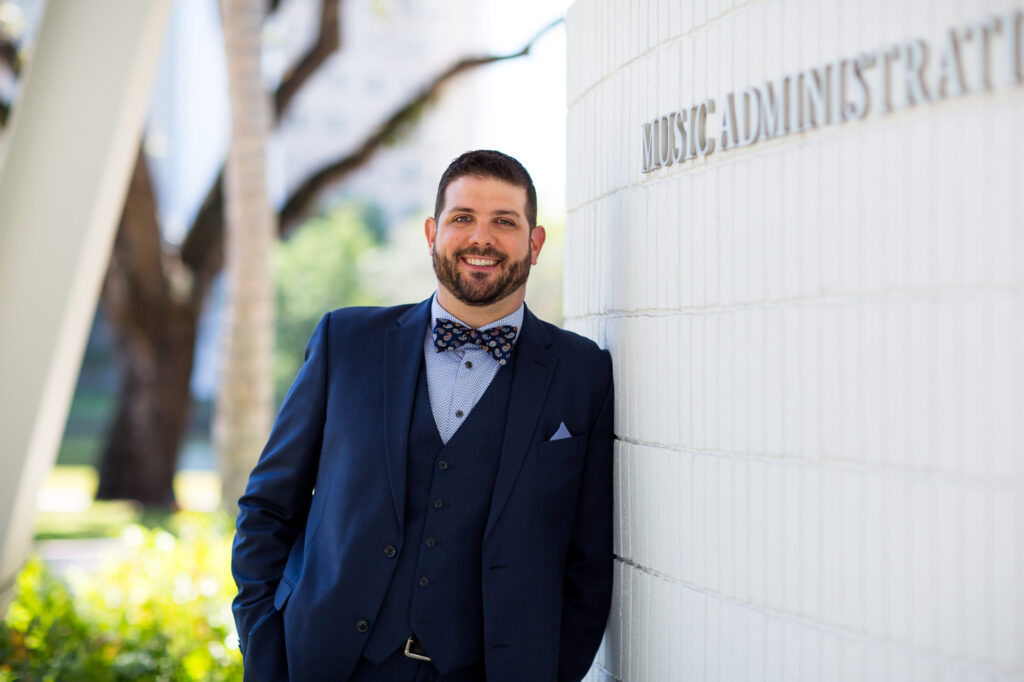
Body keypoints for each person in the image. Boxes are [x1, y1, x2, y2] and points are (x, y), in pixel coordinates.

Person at [231, 150, 614, 682]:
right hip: (326, 662)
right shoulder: (346, 343)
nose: (482, 238)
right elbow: (267, 509)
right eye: (463, 218)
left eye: (505, 221)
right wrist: (265, 649)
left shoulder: (582, 373)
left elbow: (589, 561)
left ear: (536, 242)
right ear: (433, 232)